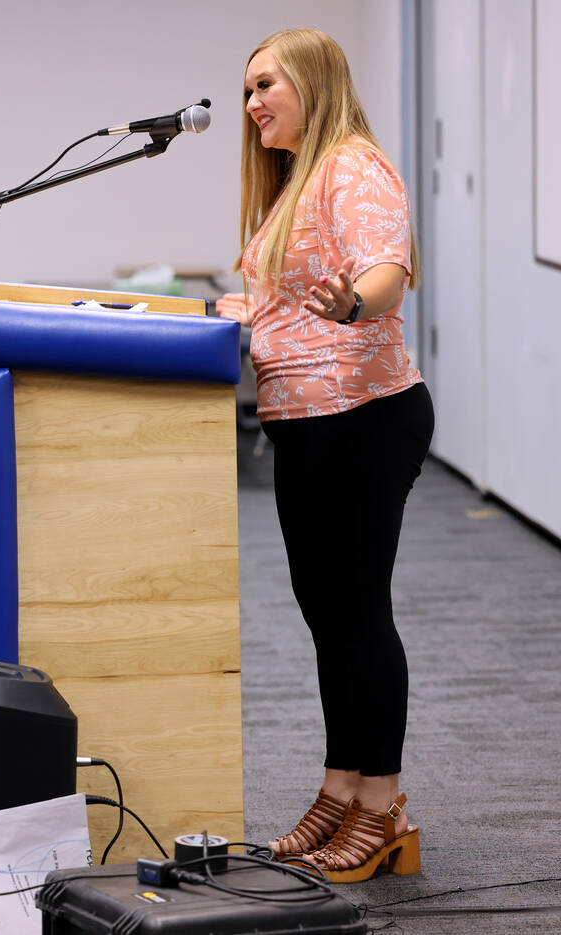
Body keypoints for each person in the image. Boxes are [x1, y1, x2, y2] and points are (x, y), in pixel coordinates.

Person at [215, 27, 434, 883]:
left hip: (363, 416)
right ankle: (342, 785)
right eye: (245, 90)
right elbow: (291, 296)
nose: (251, 103)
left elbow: (383, 269)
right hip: (306, 422)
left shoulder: (351, 165)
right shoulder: (293, 181)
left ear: (312, 81)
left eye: (265, 84)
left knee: (357, 612)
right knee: (327, 613)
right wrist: (246, 310)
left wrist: (352, 306)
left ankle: (379, 804)